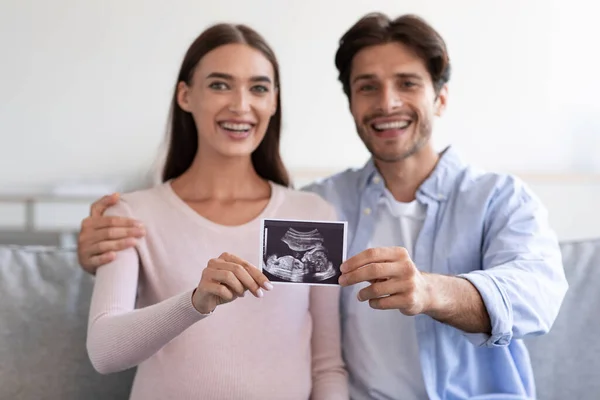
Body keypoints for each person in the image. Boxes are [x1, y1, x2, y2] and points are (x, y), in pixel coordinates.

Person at [77, 13, 569, 400]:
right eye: (367, 86)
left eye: (408, 83)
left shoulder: (498, 198)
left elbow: (539, 293)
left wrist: (431, 291)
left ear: (440, 98)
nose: (387, 102)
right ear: (351, 101)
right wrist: (93, 254)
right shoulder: (321, 206)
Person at [81, 22, 348, 400]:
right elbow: (104, 351)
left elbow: (326, 366)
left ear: (273, 101)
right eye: (220, 85)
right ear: (185, 96)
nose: (241, 105)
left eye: (258, 88)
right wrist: (196, 302)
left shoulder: (310, 217)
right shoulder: (132, 214)